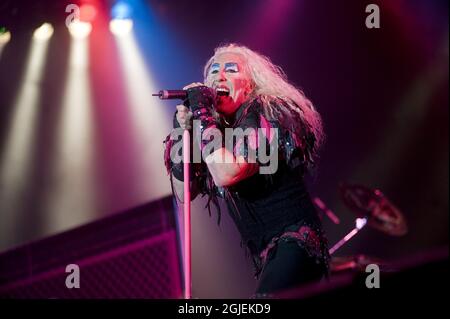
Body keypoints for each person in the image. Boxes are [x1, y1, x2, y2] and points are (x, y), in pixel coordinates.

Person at [163, 43, 329, 298]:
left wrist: (202, 115)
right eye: (214, 71)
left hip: (297, 243)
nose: (219, 76)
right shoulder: (217, 135)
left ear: (250, 84)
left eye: (231, 70)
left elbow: (227, 173)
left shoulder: (267, 110)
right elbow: (185, 193)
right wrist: (181, 131)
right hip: (267, 257)